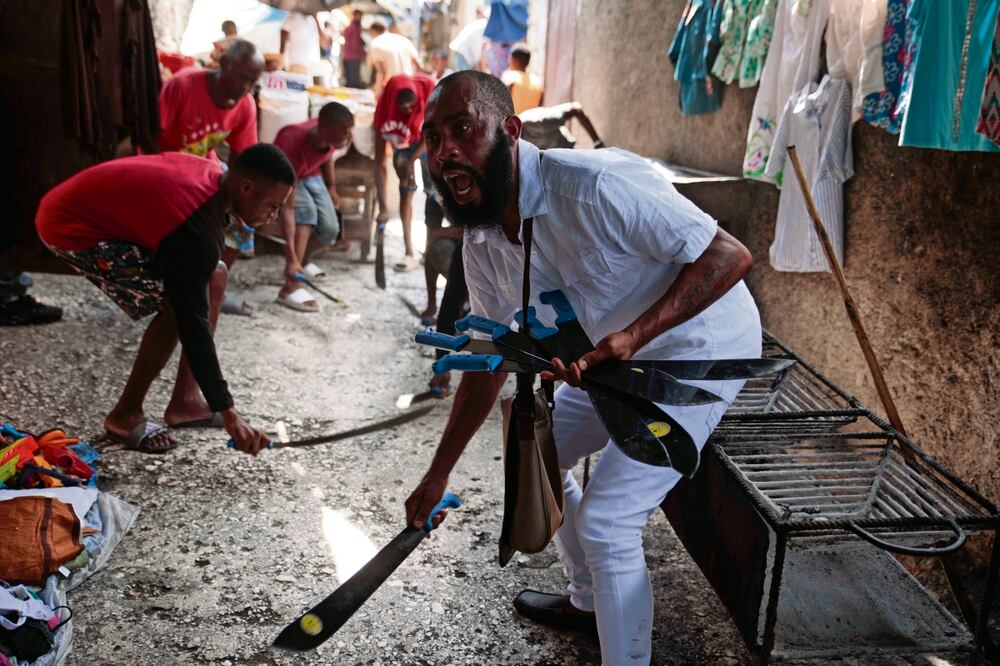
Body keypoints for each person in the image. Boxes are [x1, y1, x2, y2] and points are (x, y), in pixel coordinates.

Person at [405, 71, 761, 665]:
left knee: (607, 521)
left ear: (509, 131)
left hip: (699, 350)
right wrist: (437, 473)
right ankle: (589, 602)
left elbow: (729, 255)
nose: (445, 153)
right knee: (536, 458)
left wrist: (635, 334)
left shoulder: (595, 187)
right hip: (611, 358)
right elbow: (491, 362)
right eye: (434, 138)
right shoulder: (484, 241)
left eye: (461, 131)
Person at [35, 145, 295, 455]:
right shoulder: (196, 225)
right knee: (179, 304)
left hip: (88, 212)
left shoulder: (217, 181)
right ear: (246, 187)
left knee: (215, 274)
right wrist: (230, 414)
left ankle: (185, 401)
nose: (275, 215)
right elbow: (193, 323)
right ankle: (125, 414)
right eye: (273, 205)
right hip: (70, 227)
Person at [273, 103, 356, 312]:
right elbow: (288, 209)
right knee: (306, 214)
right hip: (285, 176)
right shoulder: (293, 143)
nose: (350, 137)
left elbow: (326, 156)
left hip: (310, 174)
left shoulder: (327, 137)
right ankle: (290, 287)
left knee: (330, 230)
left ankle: (302, 263)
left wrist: (331, 186)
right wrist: (290, 257)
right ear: (326, 131)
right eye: (345, 132)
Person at [373, 72, 436, 274]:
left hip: (428, 142)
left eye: (412, 106)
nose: (409, 111)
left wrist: (413, 159)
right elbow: (379, 162)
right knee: (405, 192)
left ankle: (428, 253)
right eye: (404, 108)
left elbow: (433, 135)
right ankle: (409, 251)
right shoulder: (384, 112)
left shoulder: (428, 93)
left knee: (431, 194)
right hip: (403, 143)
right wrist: (382, 206)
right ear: (394, 103)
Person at [368, 20, 423, 97]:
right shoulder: (404, 40)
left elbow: (380, 71)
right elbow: (419, 65)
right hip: (409, 86)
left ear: (373, 31)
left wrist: (378, 91)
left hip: (391, 87)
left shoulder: (376, 43)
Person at [500, 44, 543, 114]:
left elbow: (499, 102)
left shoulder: (509, 76)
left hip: (511, 123)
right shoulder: (537, 82)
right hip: (531, 124)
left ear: (514, 60)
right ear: (528, 62)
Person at [281, 11, 323, 80]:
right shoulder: (291, 17)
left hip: (313, 68)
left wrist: (316, 18)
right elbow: (283, 43)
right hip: (296, 67)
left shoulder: (314, 19)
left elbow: (325, 43)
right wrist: (282, 63)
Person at [341, 9, 367, 88]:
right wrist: (363, 54)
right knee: (353, 81)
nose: (360, 18)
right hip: (353, 56)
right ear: (354, 16)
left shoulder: (352, 27)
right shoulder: (354, 28)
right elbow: (355, 44)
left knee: (350, 79)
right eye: (358, 16)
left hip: (348, 55)